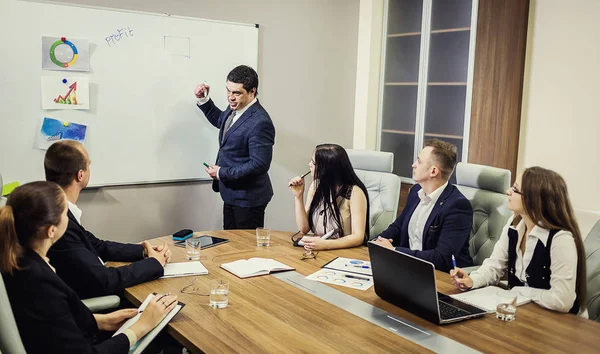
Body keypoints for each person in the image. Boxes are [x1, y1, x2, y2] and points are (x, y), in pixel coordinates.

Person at [0, 181, 178, 353]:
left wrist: (101, 321)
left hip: (72, 337)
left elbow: (51, 324)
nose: (68, 217)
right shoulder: (42, 284)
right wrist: (141, 327)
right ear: (51, 231)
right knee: (168, 336)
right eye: (65, 213)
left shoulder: (19, 263)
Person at [451, 167, 588, 316]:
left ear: (533, 199)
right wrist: (471, 281)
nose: (508, 191)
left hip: (556, 322)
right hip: (522, 313)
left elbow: (562, 300)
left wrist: (519, 292)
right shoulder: (514, 224)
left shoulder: (560, 239)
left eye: (515, 189)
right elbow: (494, 266)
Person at [44, 140, 170, 299]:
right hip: (90, 306)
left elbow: (99, 246)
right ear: (80, 175)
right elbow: (104, 281)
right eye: (89, 165)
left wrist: (143, 251)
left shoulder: (57, 210)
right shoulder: (59, 222)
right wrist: (154, 264)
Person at [371, 139, 473, 272]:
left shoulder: (457, 206)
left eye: (419, 161)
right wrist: (376, 243)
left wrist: (395, 251)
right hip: (409, 268)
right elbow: (398, 226)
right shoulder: (415, 192)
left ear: (433, 171)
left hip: (442, 277)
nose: (413, 165)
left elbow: (442, 258)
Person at [194, 65, 275, 230]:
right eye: (228, 91)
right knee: (230, 244)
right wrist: (204, 100)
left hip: (248, 198)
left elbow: (259, 164)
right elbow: (221, 121)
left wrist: (221, 172)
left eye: (236, 93)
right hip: (232, 193)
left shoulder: (260, 122)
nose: (230, 97)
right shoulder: (236, 109)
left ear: (252, 92)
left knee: (245, 249)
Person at [288, 144, 369, 251]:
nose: (309, 165)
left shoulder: (354, 192)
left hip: (345, 252)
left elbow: (358, 237)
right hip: (319, 250)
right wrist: (298, 197)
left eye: (313, 162)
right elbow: (304, 229)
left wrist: (325, 244)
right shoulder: (316, 186)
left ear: (326, 168)